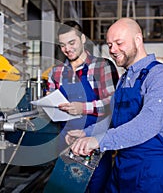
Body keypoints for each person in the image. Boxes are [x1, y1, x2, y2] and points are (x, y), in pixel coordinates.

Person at [67, 18, 163, 192]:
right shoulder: (125, 79)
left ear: (138, 39)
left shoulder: (160, 76)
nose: (113, 50)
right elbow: (114, 120)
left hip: (153, 173)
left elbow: (148, 124)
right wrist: (86, 133)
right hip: (123, 168)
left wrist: (98, 140)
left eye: (119, 43)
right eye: (109, 44)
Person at [47, 21, 119, 192]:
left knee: (96, 188)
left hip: (96, 143)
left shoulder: (102, 67)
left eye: (72, 43)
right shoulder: (56, 72)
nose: (67, 49)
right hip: (66, 141)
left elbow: (113, 104)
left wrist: (83, 108)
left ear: (83, 39)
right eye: (63, 45)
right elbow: (51, 103)